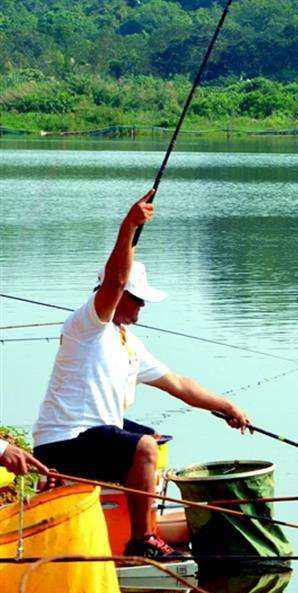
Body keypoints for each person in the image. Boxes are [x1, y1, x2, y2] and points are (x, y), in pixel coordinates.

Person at [32, 190, 251, 559]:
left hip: (93, 436)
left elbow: (179, 385)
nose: (143, 307)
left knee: (151, 438)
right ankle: (143, 540)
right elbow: (115, 282)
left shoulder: (127, 342)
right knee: (143, 448)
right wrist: (129, 226)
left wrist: (226, 406)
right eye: (139, 299)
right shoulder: (88, 326)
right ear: (120, 296)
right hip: (63, 442)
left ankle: (129, 519)